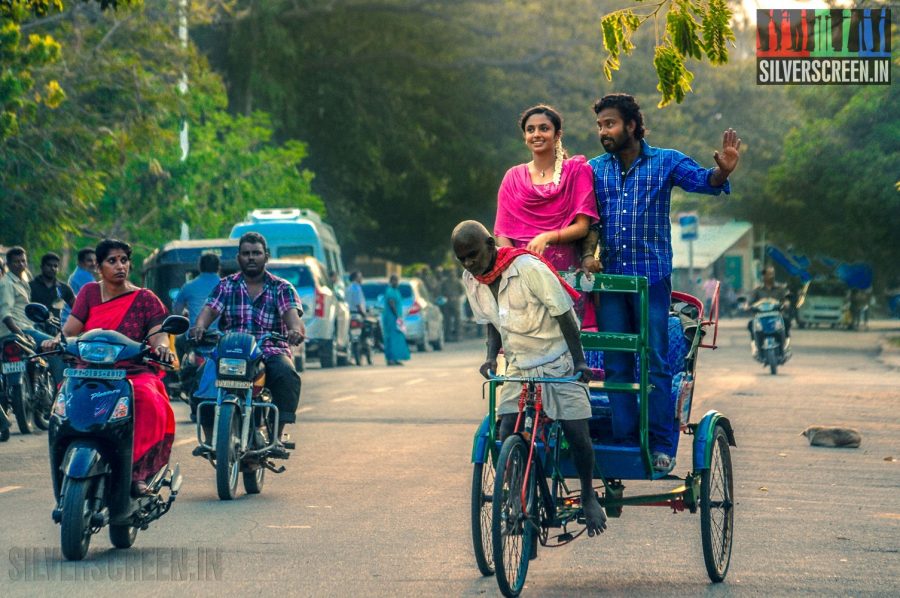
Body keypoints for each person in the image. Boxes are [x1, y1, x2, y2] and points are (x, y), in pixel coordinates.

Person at [582, 93, 740, 472]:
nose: (604, 131)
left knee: (653, 361)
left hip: (651, 282)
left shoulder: (665, 161)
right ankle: (623, 439)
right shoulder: (593, 169)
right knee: (617, 364)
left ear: (632, 125)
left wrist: (724, 172)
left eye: (611, 124)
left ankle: (658, 442)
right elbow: (586, 219)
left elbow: (705, 181)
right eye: (601, 125)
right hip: (611, 286)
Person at [452, 220, 607, 536]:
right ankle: (514, 494)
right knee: (505, 429)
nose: (469, 263)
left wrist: (578, 361)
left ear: (490, 244)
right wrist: (489, 357)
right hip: (518, 365)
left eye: (473, 255)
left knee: (576, 431)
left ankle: (589, 496)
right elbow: (492, 320)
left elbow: (564, 312)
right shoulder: (472, 280)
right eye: (463, 258)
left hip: (556, 360)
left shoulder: (526, 267)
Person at [42, 239, 176, 496]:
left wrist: (163, 347)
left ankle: (139, 473)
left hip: (133, 373)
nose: (119, 266)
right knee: (64, 403)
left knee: (148, 399)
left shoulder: (145, 298)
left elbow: (158, 334)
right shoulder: (89, 293)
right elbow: (70, 330)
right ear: (99, 267)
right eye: (112, 261)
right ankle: (67, 465)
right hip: (88, 371)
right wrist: (55, 341)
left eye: (123, 260)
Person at [191, 232, 305, 447]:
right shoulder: (226, 285)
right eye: (246, 254)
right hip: (232, 349)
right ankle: (209, 440)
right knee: (198, 379)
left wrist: (294, 330)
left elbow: (292, 316)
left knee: (287, 374)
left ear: (266, 256)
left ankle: (276, 437)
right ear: (238, 258)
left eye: (256, 253)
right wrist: (199, 327)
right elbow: (209, 310)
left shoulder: (282, 287)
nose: (251, 258)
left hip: (270, 350)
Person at [494, 104, 599, 325]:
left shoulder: (577, 171)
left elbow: (582, 226)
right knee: (528, 343)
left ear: (557, 134)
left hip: (565, 276)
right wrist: (516, 267)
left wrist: (547, 237)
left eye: (544, 128)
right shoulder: (513, 177)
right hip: (522, 277)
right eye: (530, 129)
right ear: (525, 136)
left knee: (567, 345)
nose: (537, 134)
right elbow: (502, 232)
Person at [0, 247, 65, 385]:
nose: (21, 264)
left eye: (23, 261)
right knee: (56, 348)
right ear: (8, 264)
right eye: (16, 262)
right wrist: (21, 335)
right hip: (19, 330)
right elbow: (5, 314)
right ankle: (61, 390)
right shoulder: (7, 283)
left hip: (24, 327)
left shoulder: (22, 282)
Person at [29, 252, 75, 334]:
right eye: (49, 265)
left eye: (55, 266)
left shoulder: (63, 288)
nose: (52, 268)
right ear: (42, 267)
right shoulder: (30, 286)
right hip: (34, 329)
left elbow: (77, 309)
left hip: (55, 330)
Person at [748, 265, 792, 341]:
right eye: (769, 274)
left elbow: (786, 299)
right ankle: (754, 345)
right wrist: (747, 306)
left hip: (777, 316)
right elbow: (750, 301)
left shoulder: (780, 289)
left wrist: (786, 303)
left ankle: (786, 343)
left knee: (786, 322)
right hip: (761, 316)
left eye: (772, 274)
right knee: (751, 324)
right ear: (764, 275)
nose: (771, 276)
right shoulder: (758, 290)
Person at [61, 247, 98, 326]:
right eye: (89, 260)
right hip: (74, 321)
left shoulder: (80, 274)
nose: (93, 263)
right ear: (80, 262)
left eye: (95, 260)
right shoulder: (84, 276)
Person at [381, 274, 410, 366]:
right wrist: (397, 316)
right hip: (392, 319)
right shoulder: (390, 291)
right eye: (395, 281)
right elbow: (391, 304)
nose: (397, 283)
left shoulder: (396, 290)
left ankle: (395, 358)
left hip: (397, 318)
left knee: (398, 338)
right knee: (392, 338)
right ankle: (391, 359)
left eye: (397, 281)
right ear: (391, 281)